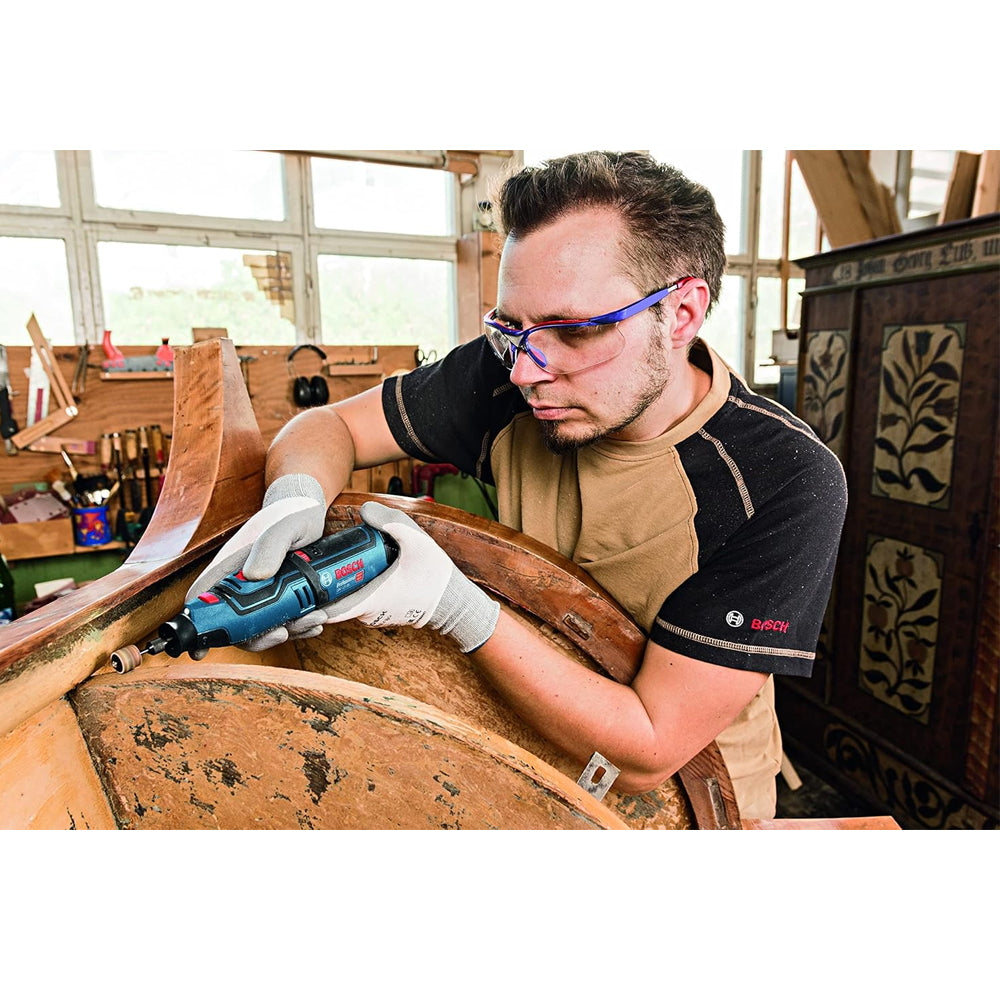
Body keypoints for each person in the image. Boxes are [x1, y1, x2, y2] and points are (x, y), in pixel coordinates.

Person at [188, 151, 847, 820]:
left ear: (680, 314)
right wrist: (294, 498)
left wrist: (455, 607)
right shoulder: (511, 368)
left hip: (688, 802)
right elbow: (329, 426)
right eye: (510, 328)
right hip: (524, 759)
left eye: (576, 331)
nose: (527, 372)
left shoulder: (784, 480)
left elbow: (648, 750)